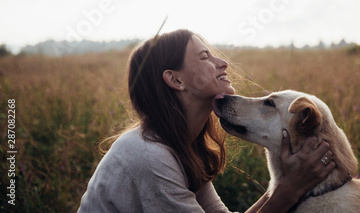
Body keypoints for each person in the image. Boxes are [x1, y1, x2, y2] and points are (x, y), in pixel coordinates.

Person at [78, 29, 336, 212]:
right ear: (176, 80)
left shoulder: (184, 145)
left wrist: (283, 186)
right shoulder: (149, 156)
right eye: (205, 57)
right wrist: (289, 191)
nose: (223, 63)